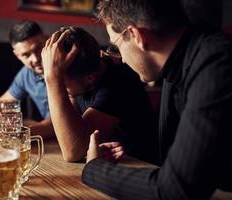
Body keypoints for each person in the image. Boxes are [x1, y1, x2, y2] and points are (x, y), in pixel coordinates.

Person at [82, 0, 232, 199]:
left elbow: (174, 191)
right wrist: (124, 150)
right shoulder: (179, 63)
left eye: (117, 47)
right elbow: (171, 160)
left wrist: (94, 168)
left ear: (137, 36)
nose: (121, 58)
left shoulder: (217, 64)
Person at [41, 26, 158, 163]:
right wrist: (18, 133)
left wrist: (53, 78)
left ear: (90, 78)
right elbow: (63, 125)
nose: (60, 87)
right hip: (108, 166)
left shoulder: (117, 83)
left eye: (63, 84)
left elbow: (73, 151)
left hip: (140, 168)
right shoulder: (82, 78)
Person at [0, 21, 54, 138]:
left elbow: (58, 124)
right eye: (26, 55)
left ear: (47, 40)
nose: (35, 59)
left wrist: (20, 132)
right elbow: (1, 102)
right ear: (17, 55)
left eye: (38, 49)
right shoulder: (26, 74)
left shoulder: (66, 69)